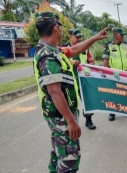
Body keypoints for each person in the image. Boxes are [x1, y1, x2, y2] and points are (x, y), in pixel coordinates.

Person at [33, 11, 109, 173]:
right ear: (55, 28)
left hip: (59, 116)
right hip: (61, 117)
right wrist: (71, 121)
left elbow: (73, 49)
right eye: (60, 27)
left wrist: (95, 37)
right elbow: (55, 93)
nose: (61, 30)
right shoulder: (49, 56)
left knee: (58, 153)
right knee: (69, 160)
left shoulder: (54, 50)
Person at [63, 28, 96, 130]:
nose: (79, 39)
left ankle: (88, 120)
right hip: (70, 81)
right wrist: (70, 62)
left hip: (83, 80)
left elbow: (91, 61)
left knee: (86, 100)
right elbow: (59, 63)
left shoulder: (85, 48)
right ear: (70, 37)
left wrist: (89, 65)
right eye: (77, 37)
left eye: (80, 37)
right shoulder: (63, 49)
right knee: (70, 102)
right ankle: (71, 122)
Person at [102, 27, 127, 121]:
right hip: (114, 74)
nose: (123, 36)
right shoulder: (108, 45)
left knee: (125, 92)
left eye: (123, 35)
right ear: (115, 34)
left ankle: (124, 110)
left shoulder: (126, 45)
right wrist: (107, 74)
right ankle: (112, 113)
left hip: (125, 72)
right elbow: (105, 60)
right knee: (113, 93)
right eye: (121, 35)